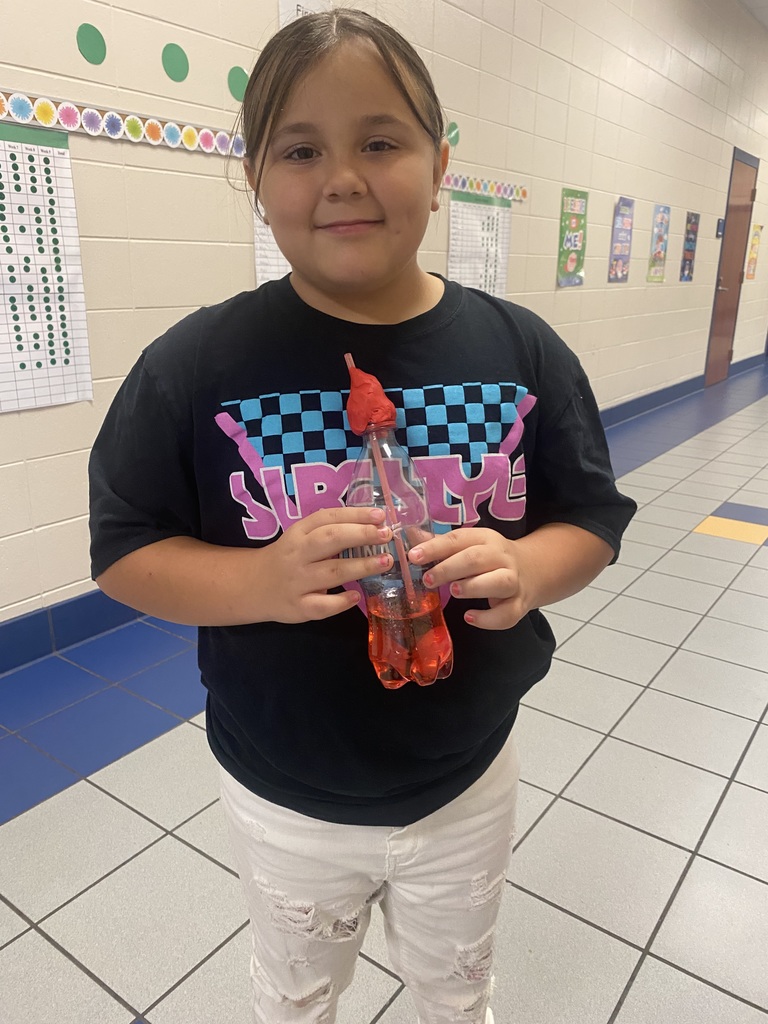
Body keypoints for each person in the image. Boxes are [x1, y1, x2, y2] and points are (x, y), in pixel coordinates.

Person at [88, 9, 636, 1023]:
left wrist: (530, 570)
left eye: (380, 142)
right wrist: (256, 580)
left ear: (441, 164)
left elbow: (592, 518)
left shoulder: (521, 351)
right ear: (255, 176)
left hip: (466, 775)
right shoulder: (196, 365)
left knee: (456, 988)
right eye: (301, 151)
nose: (342, 177)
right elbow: (124, 550)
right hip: (283, 787)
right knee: (297, 994)